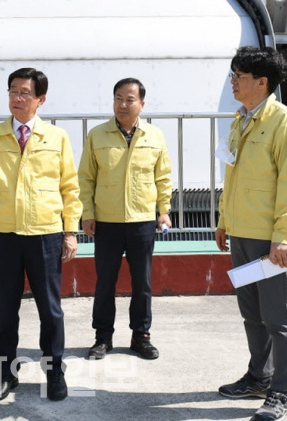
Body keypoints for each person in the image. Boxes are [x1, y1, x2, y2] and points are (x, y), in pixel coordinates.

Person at [0, 68, 82, 402]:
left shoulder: (56, 137)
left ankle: (55, 372)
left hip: (45, 234)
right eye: (12, 92)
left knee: (51, 309)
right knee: (5, 310)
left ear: (40, 99)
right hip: (4, 235)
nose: (16, 99)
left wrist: (70, 231)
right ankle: (6, 374)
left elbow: (69, 187)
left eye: (24, 93)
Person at [215, 46, 287, 421]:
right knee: (252, 314)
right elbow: (232, 174)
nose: (233, 83)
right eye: (233, 75)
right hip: (241, 232)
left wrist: (283, 237)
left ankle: (282, 391)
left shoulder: (285, 123)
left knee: (278, 318)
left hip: (269, 239)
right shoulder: (241, 120)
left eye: (238, 76)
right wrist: (225, 220)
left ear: (261, 82)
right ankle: (259, 376)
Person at [78, 77, 172, 361]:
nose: (123, 104)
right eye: (118, 98)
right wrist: (87, 214)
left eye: (130, 99)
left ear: (142, 104)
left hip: (142, 220)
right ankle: (102, 337)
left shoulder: (154, 136)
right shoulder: (97, 134)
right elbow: (86, 178)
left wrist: (163, 210)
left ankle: (140, 336)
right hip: (106, 221)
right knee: (105, 281)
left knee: (141, 282)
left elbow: (163, 177)